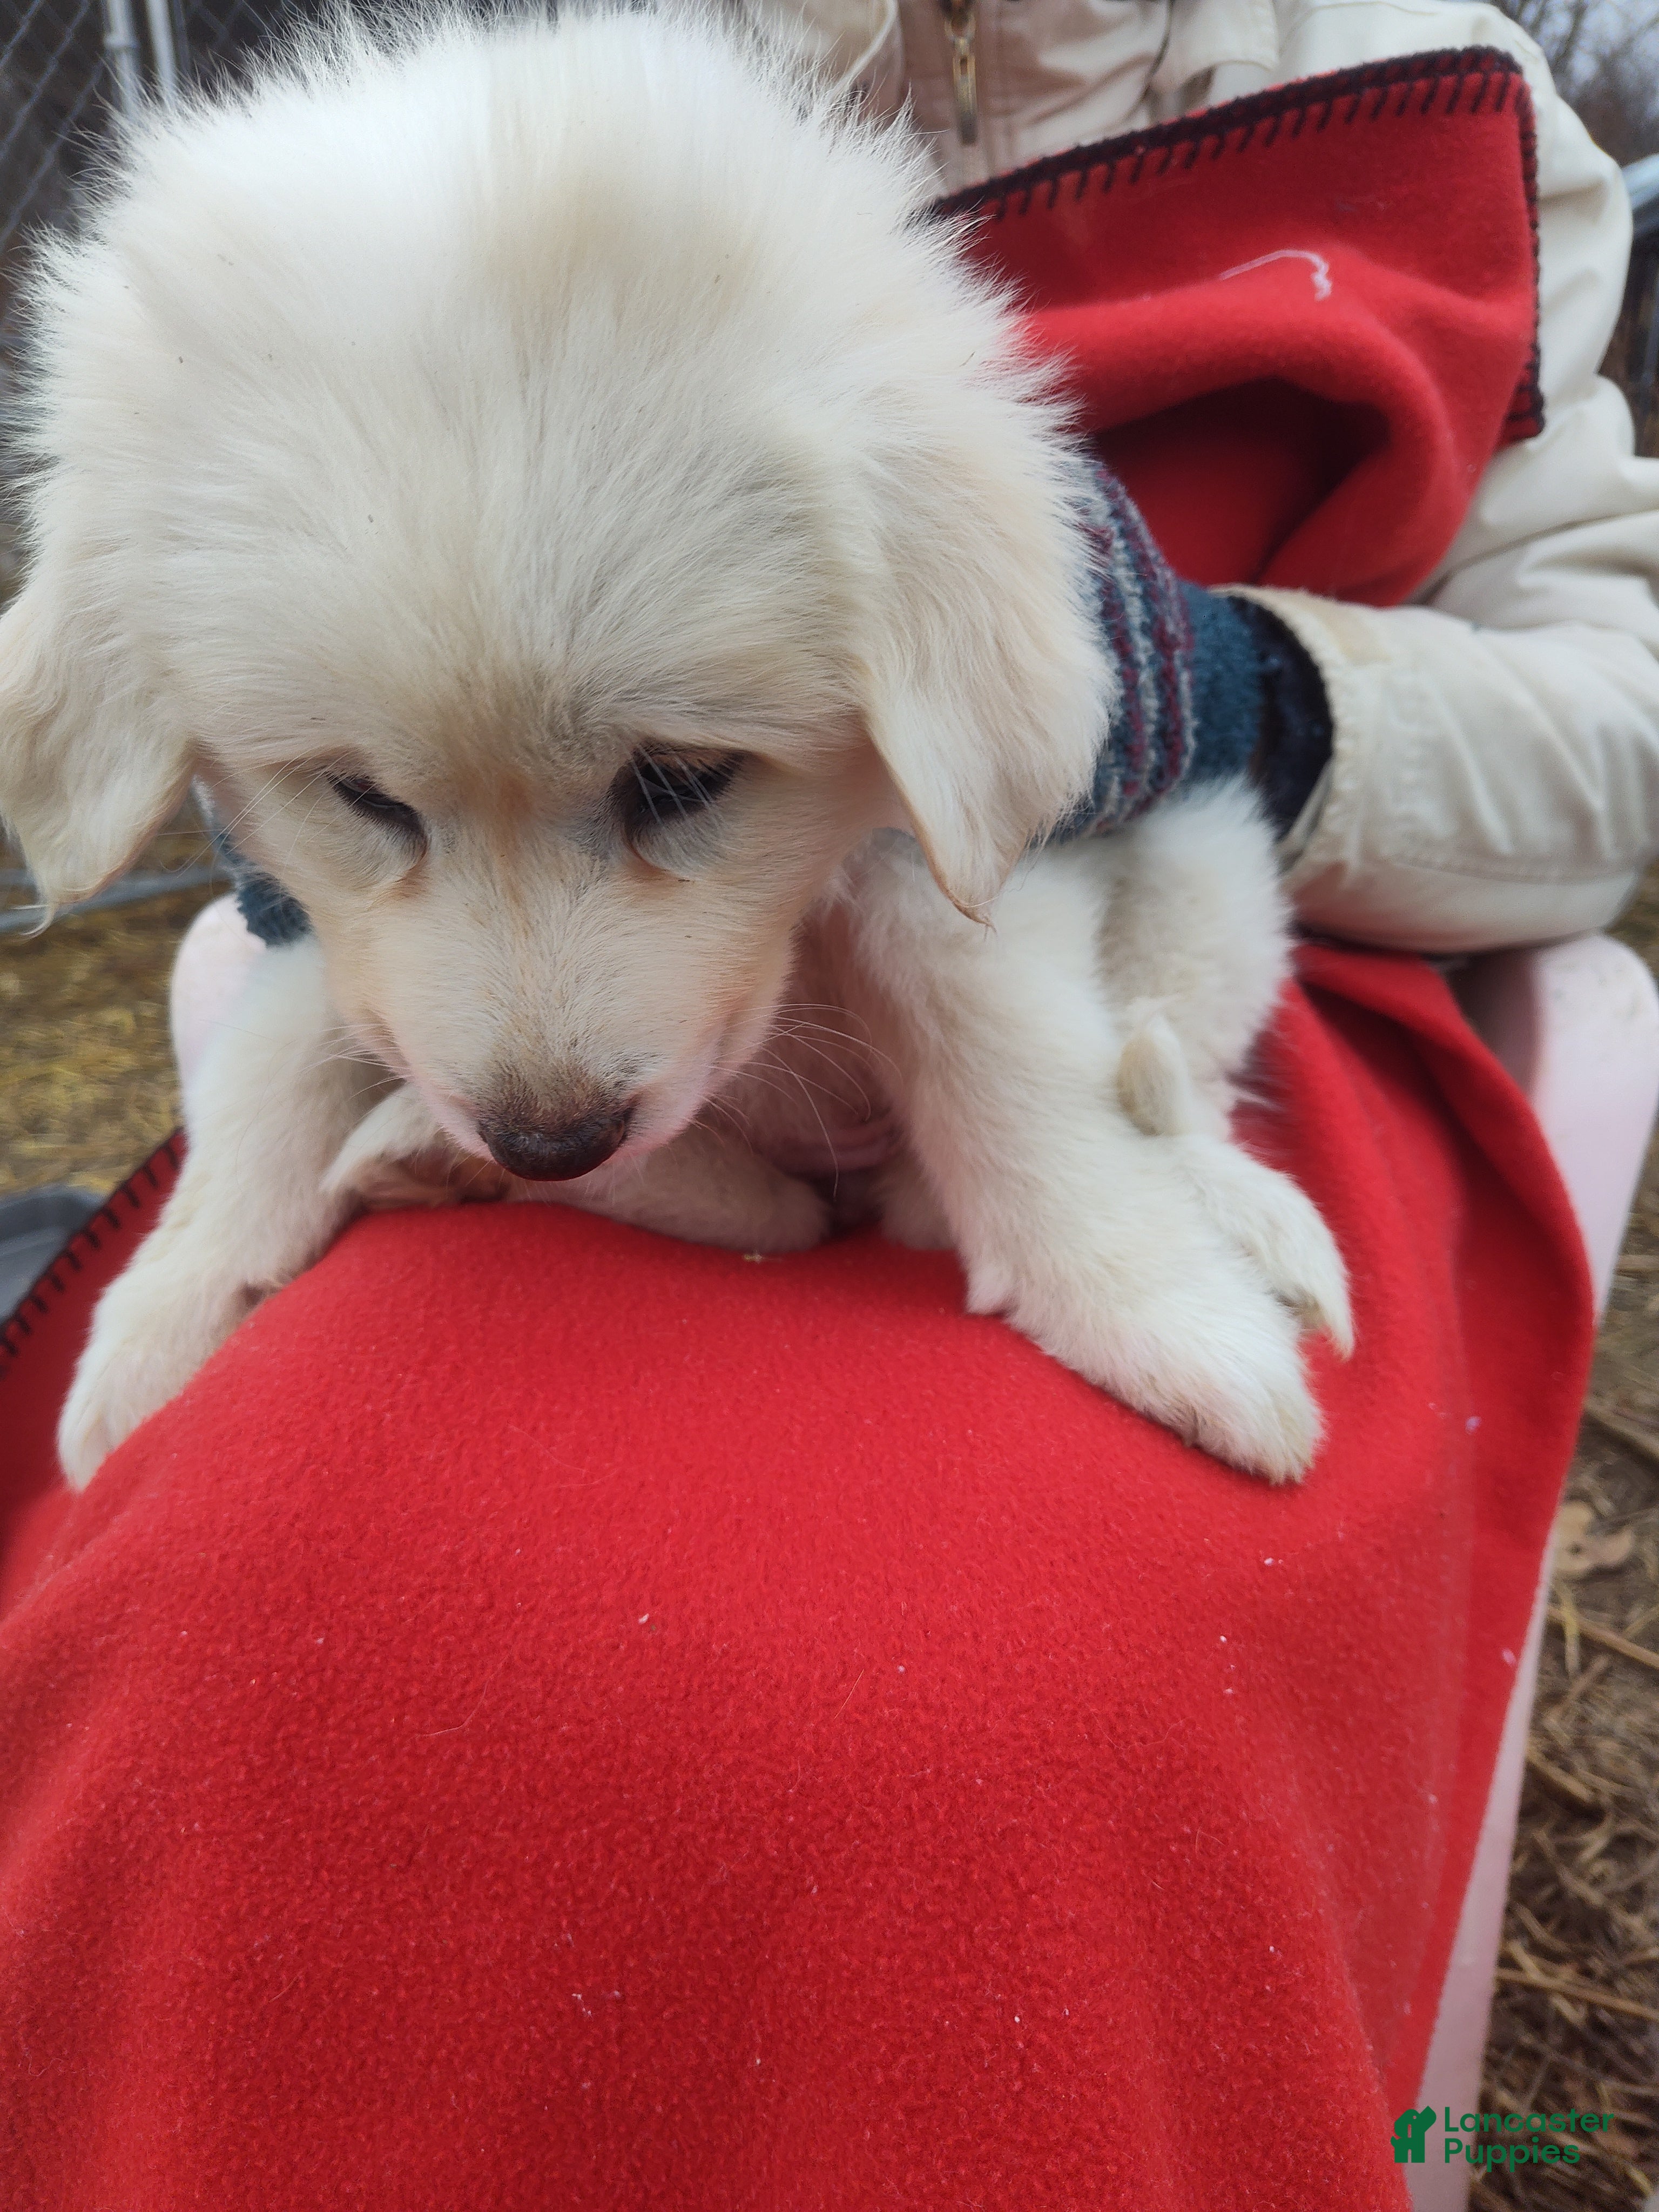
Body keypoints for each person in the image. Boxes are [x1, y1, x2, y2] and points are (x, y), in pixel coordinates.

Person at [0, 2, 1650, 2207]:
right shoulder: (542, 113)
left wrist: (1245, 695)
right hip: (653, 1136)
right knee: (240, 1612)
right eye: (365, 797)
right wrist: (359, 859)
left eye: (672, 776)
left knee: (978, 1720)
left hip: (1208, 1019)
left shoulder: (1439, 94)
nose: (541, 1057)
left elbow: (1621, 738)